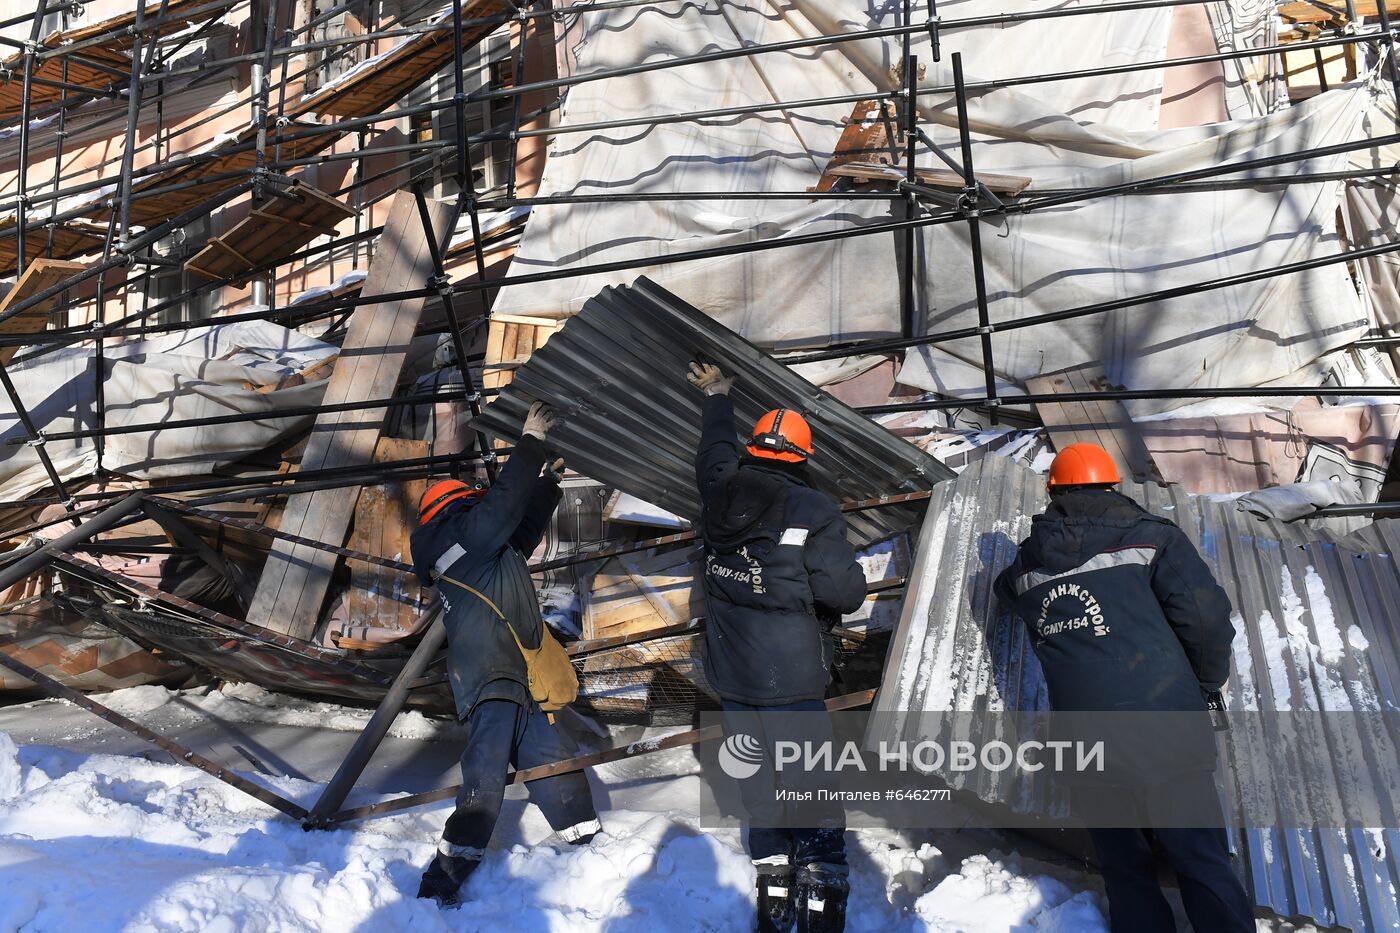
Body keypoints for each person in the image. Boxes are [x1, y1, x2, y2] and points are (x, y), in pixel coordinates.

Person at [993, 443, 1253, 933]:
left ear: (1054, 492)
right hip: (1165, 727)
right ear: (1112, 484)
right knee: (1200, 858)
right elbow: (1207, 620)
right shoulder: (1153, 539)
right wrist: (1200, 685)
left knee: (1125, 869)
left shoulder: (1027, 569)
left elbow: (1004, 591)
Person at [687, 362, 867, 933]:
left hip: (731, 669)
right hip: (790, 673)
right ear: (801, 459)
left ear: (754, 448)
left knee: (758, 777)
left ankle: (772, 885)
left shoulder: (718, 490)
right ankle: (820, 882)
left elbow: (712, 451)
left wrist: (717, 397)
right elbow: (842, 592)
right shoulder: (813, 510)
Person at [411, 401, 600, 908]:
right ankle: (445, 876)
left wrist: (549, 484)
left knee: (553, 761)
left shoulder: (482, 545)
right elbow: (500, 508)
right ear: (458, 510)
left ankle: (589, 848)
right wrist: (531, 442)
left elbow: (520, 522)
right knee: (487, 771)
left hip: (521, 674)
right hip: (490, 676)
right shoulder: (462, 539)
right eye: (476, 505)